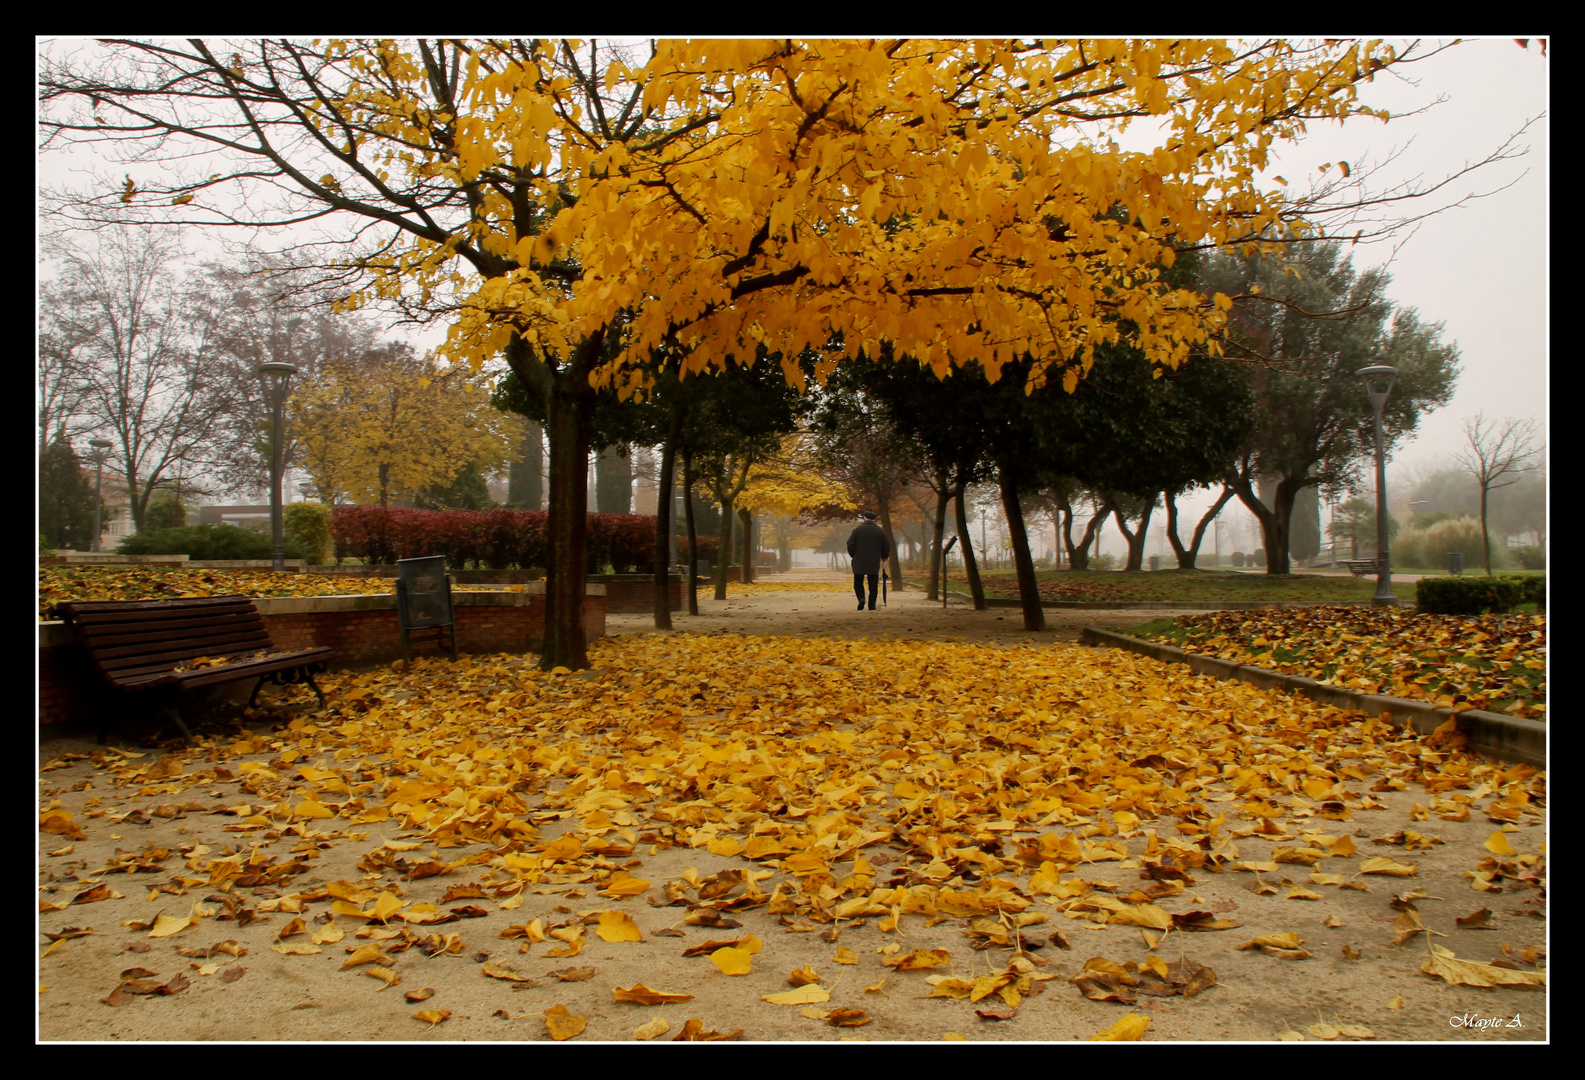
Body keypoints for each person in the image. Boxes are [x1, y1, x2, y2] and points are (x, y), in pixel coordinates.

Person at [846, 511, 891, 611]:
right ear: (874, 519)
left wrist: (853, 555)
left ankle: (861, 598)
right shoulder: (880, 531)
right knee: (873, 584)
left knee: (858, 582)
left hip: (859, 560)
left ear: (864, 518)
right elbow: (886, 545)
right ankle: (872, 605)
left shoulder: (857, 530)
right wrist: (884, 556)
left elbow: (850, 544)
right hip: (874, 560)